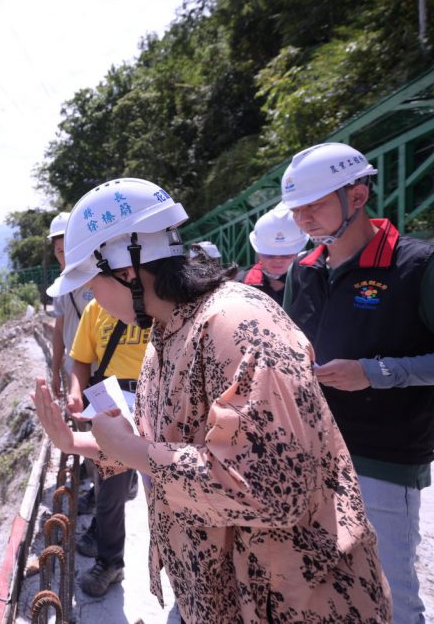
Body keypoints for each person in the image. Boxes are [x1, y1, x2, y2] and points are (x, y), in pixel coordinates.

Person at [34, 177, 391, 622]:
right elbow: (159, 444)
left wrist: (133, 449)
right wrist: (76, 444)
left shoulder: (238, 324)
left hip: (294, 601)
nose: (94, 302)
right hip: (225, 595)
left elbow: (272, 489)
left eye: (91, 286)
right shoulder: (165, 336)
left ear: (127, 269)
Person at [279, 142, 434, 624]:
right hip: (309, 453)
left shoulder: (426, 266)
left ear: (357, 197)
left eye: (314, 205)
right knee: (318, 590)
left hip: (383, 460)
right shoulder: (305, 270)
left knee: (388, 599)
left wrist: (378, 373)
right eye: (296, 209)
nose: (303, 219)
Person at [65, 297, 147, 596]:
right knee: (108, 489)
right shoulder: (95, 309)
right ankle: (110, 561)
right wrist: (76, 392)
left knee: (171, 494)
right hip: (112, 405)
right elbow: (82, 359)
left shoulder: (155, 299)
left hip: (158, 402)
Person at [48, 212, 94, 401]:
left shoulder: (100, 279)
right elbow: (59, 331)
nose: (66, 257)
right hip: (74, 371)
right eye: (60, 252)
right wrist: (55, 370)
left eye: (69, 249)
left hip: (106, 370)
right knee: (84, 424)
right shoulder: (60, 288)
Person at [236, 205, 308, 305]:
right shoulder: (238, 285)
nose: (278, 260)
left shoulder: (313, 283)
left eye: (286, 255)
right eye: (269, 254)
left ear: (299, 251)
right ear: (257, 251)